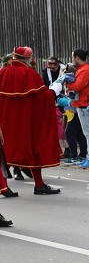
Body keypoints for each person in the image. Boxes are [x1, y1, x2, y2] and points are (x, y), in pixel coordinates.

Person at [0, 46, 62, 195]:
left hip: (6, 120)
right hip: (26, 121)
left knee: (5, 152)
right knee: (33, 149)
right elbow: (43, 98)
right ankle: (38, 184)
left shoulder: (2, 72)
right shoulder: (30, 74)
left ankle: (5, 187)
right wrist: (54, 90)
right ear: (27, 58)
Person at [68, 48, 89, 169]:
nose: (72, 60)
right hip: (84, 103)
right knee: (87, 132)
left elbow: (77, 86)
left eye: (73, 57)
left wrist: (67, 82)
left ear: (77, 58)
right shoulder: (84, 69)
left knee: (88, 133)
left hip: (86, 104)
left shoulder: (85, 70)